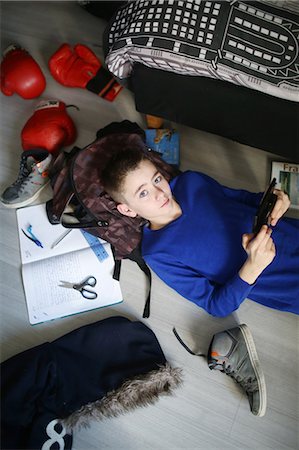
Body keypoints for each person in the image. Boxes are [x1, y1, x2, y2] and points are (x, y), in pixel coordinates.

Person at [101, 148, 299, 317]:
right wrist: (254, 266)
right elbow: (217, 305)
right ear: (127, 210)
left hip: (291, 233)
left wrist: (274, 200)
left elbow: (243, 199)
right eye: (143, 193)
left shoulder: (191, 181)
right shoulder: (158, 253)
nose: (160, 193)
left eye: (157, 179)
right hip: (287, 284)